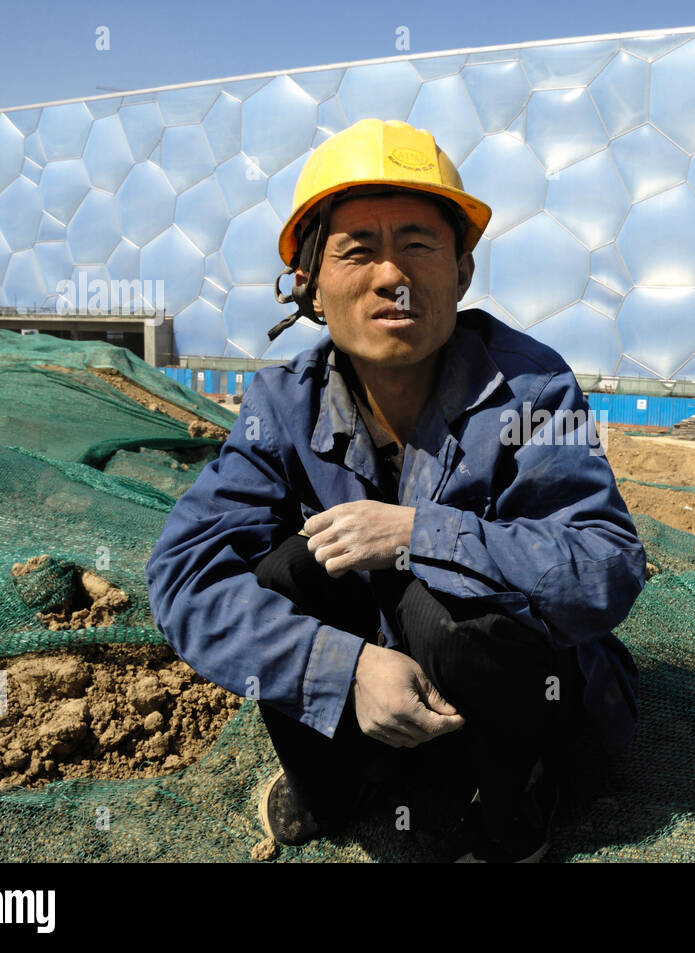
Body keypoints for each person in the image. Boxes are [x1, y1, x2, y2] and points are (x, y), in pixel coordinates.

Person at [144, 118, 648, 862]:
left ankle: (519, 796)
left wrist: (421, 533)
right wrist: (339, 668)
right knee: (290, 569)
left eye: (418, 245)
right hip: (367, 690)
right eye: (357, 250)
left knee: (442, 601)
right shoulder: (283, 405)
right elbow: (183, 575)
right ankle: (333, 784)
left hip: (495, 698)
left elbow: (606, 566)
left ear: (461, 272)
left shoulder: (533, 391)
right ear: (309, 283)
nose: (392, 274)